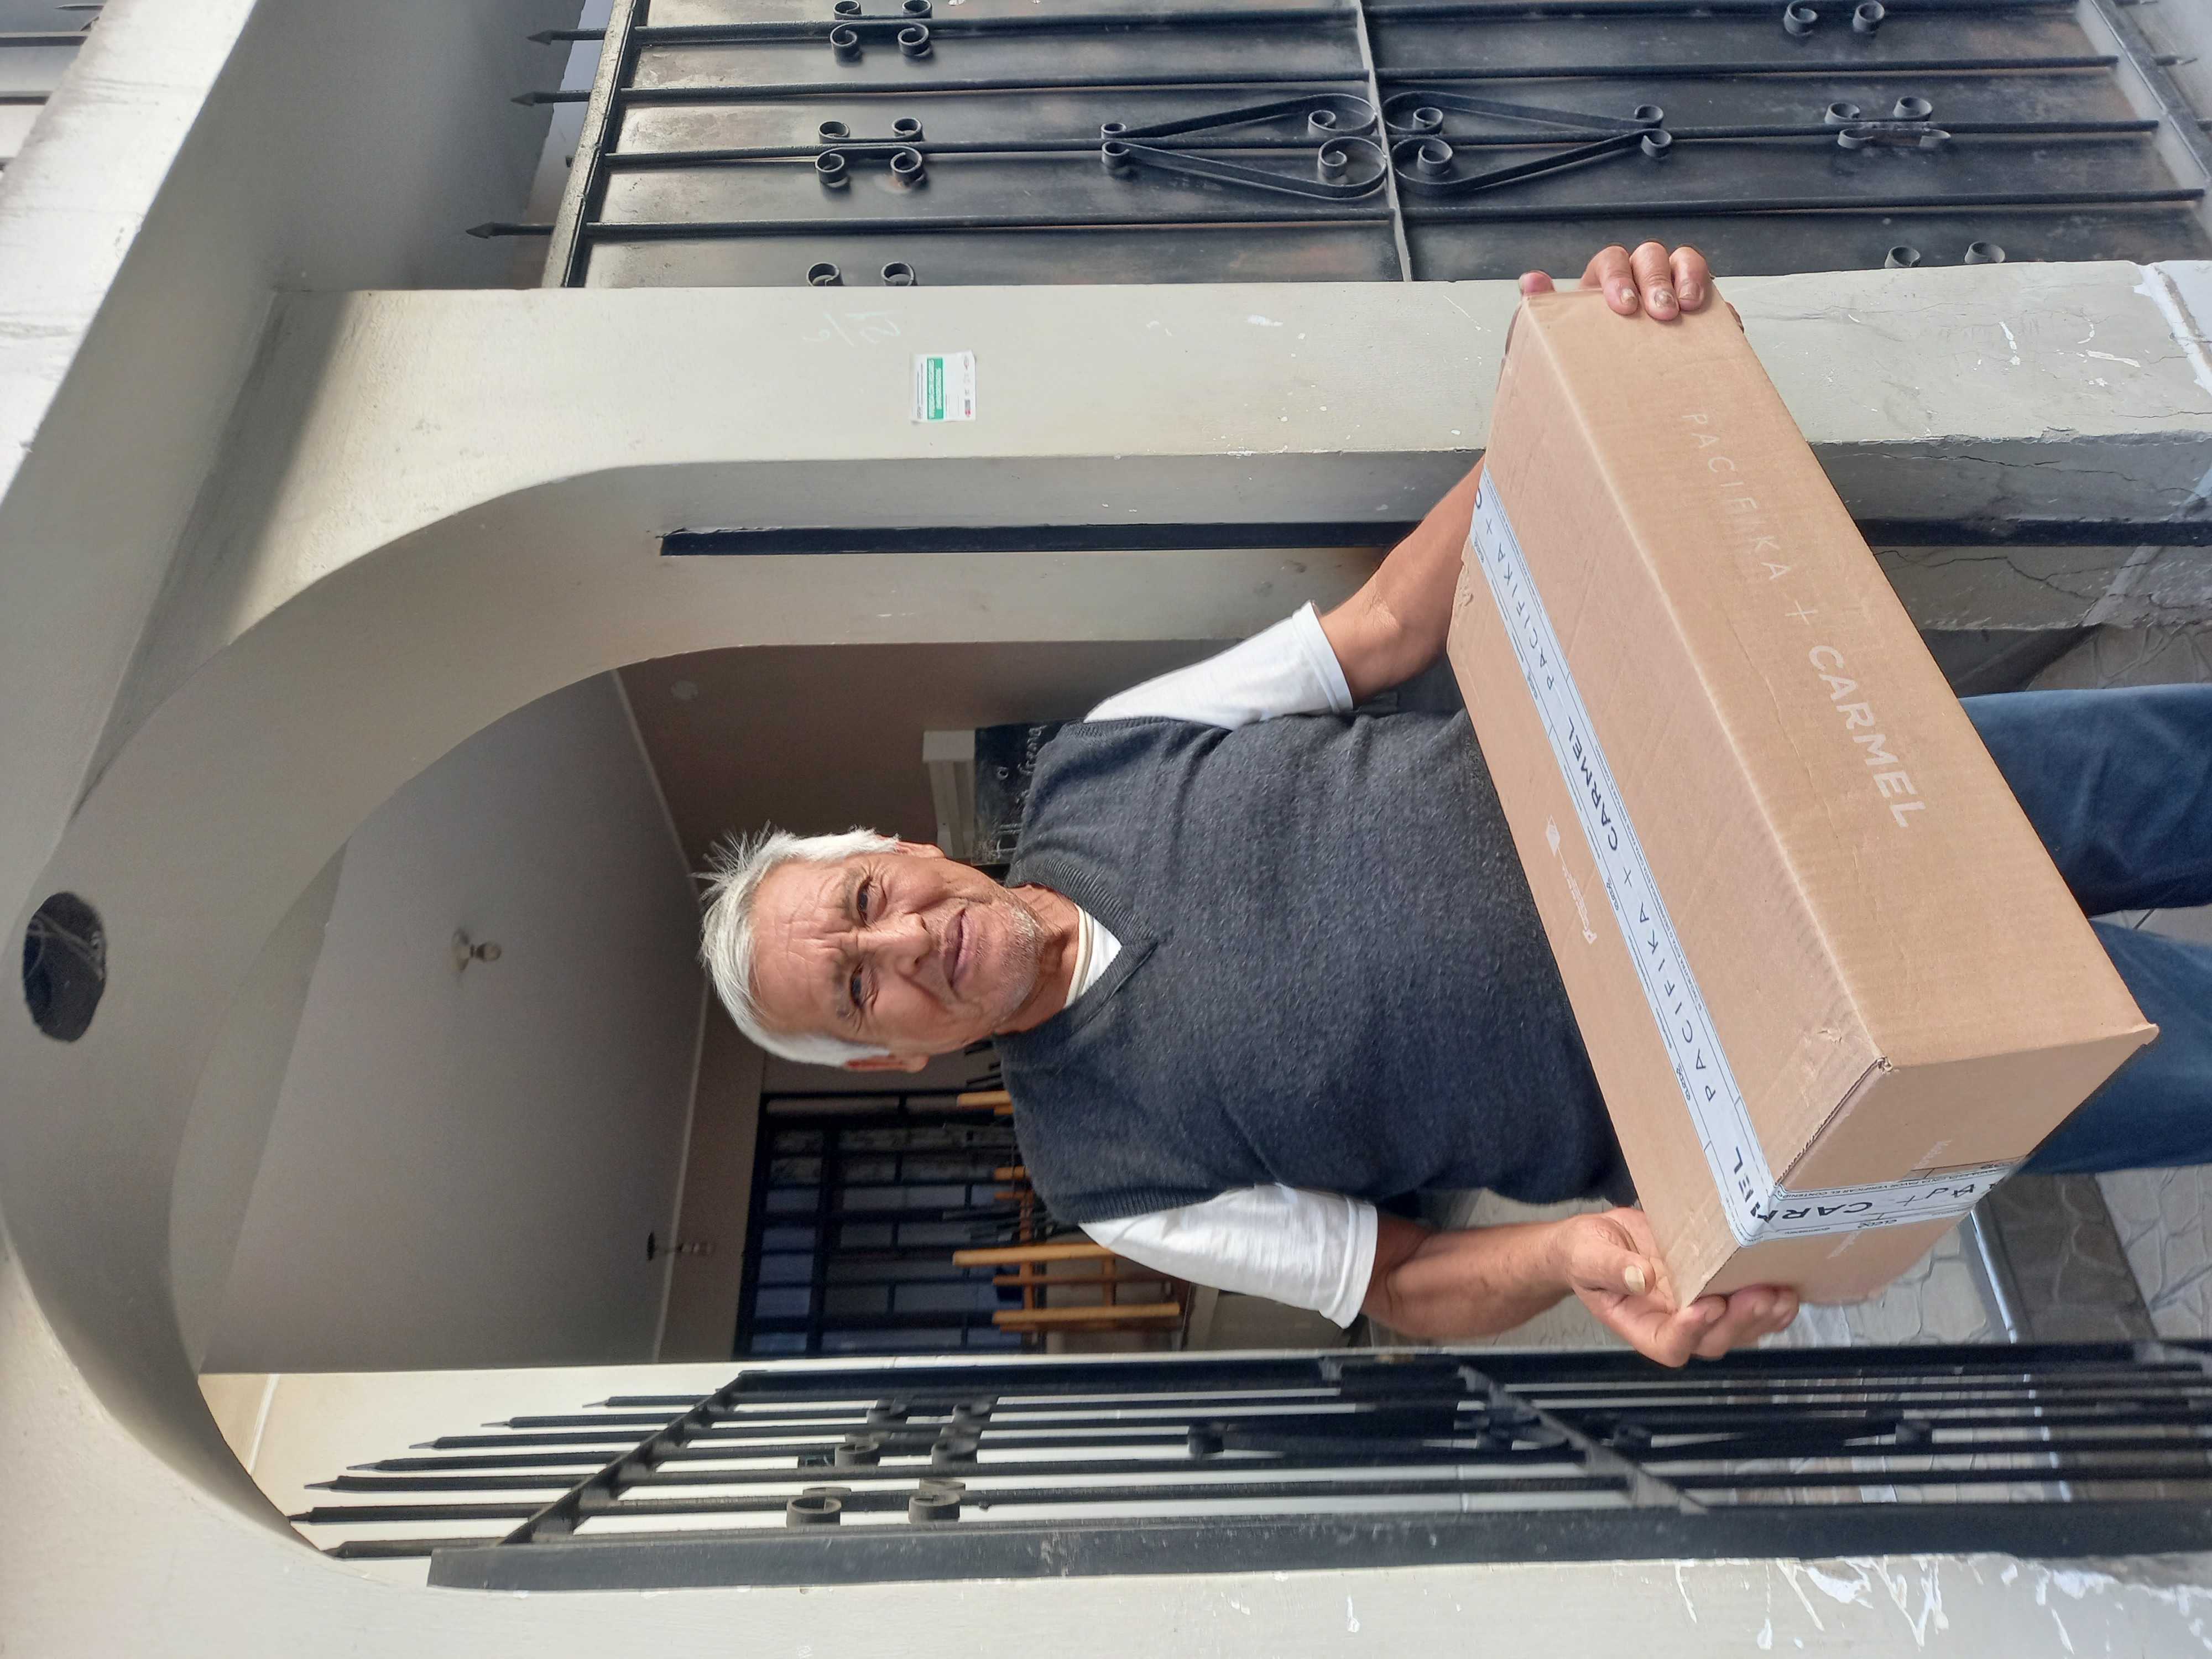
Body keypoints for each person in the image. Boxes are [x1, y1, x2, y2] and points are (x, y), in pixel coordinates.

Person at [700, 244, 2212, 1366]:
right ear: (891, 1056)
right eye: (860, 988)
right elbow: (1397, 1282)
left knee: (2182, 775)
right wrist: (1582, 1256)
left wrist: (1588, 386)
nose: (902, 944)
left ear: (898, 849)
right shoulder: (1109, 1180)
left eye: (862, 905)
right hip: (1768, 1078)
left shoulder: (1104, 759)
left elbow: (1378, 632)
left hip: (1774, 781)